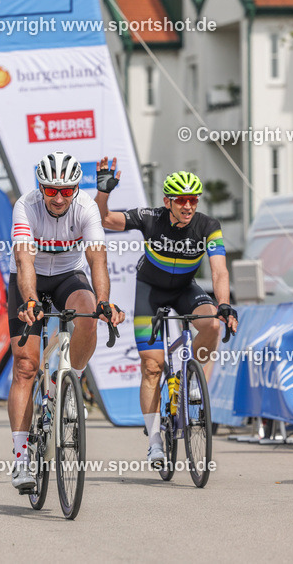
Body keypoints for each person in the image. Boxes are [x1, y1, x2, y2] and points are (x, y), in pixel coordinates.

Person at [94, 158, 238, 466]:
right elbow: (103, 218)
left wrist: (224, 304)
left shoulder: (208, 226)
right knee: (152, 367)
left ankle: (191, 381)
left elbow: (219, 271)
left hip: (185, 289)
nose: (188, 206)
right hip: (150, 290)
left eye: (193, 200)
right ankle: (156, 441)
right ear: (167, 202)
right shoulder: (150, 218)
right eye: (181, 200)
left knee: (212, 324)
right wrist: (104, 191)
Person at [7, 151, 125, 492]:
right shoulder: (26, 206)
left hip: (67, 276)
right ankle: (20, 459)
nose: (58, 197)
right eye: (51, 190)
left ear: (75, 189)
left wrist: (104, 302)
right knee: (26, 367)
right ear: (40, 187)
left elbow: (97, 259)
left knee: (88, 313)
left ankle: (70, 383)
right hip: (28, 279)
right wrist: (29, 299)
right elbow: (24, 259)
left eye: (66, 190)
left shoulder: (86, 207)